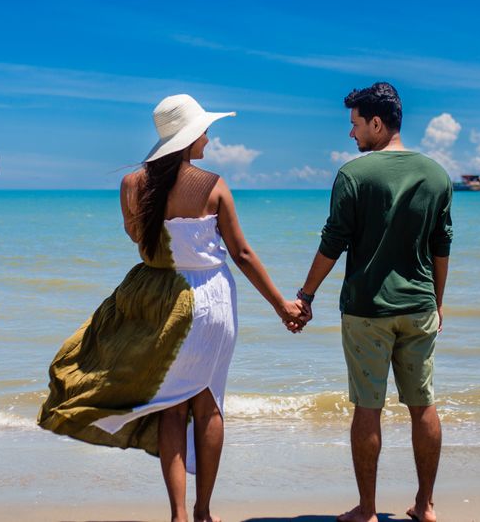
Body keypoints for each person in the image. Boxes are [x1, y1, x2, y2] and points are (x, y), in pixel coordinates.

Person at [37, 94, 307, 522]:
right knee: (209, 403)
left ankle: (178, 515)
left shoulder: (131, 185)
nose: (209, 137)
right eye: (204, 129)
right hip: (211, 301)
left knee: (172, 407)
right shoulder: (213, 184)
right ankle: (203, 512)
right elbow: (242, 253)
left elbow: (142, 243)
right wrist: (282, 306)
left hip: (159, 299)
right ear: (190, 136)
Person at [295, 82, 452, 522]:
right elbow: (442, 245)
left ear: (377, 124)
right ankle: (425, 506)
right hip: (420, 308)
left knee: (369, 407)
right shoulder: (436, 174)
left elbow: (333, 243)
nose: (351, 135)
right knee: (423, 405)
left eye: (356, 124)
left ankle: (367, 510)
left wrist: (305, 296)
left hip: (367, 311)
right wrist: (437, 302)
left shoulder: (353, 175)